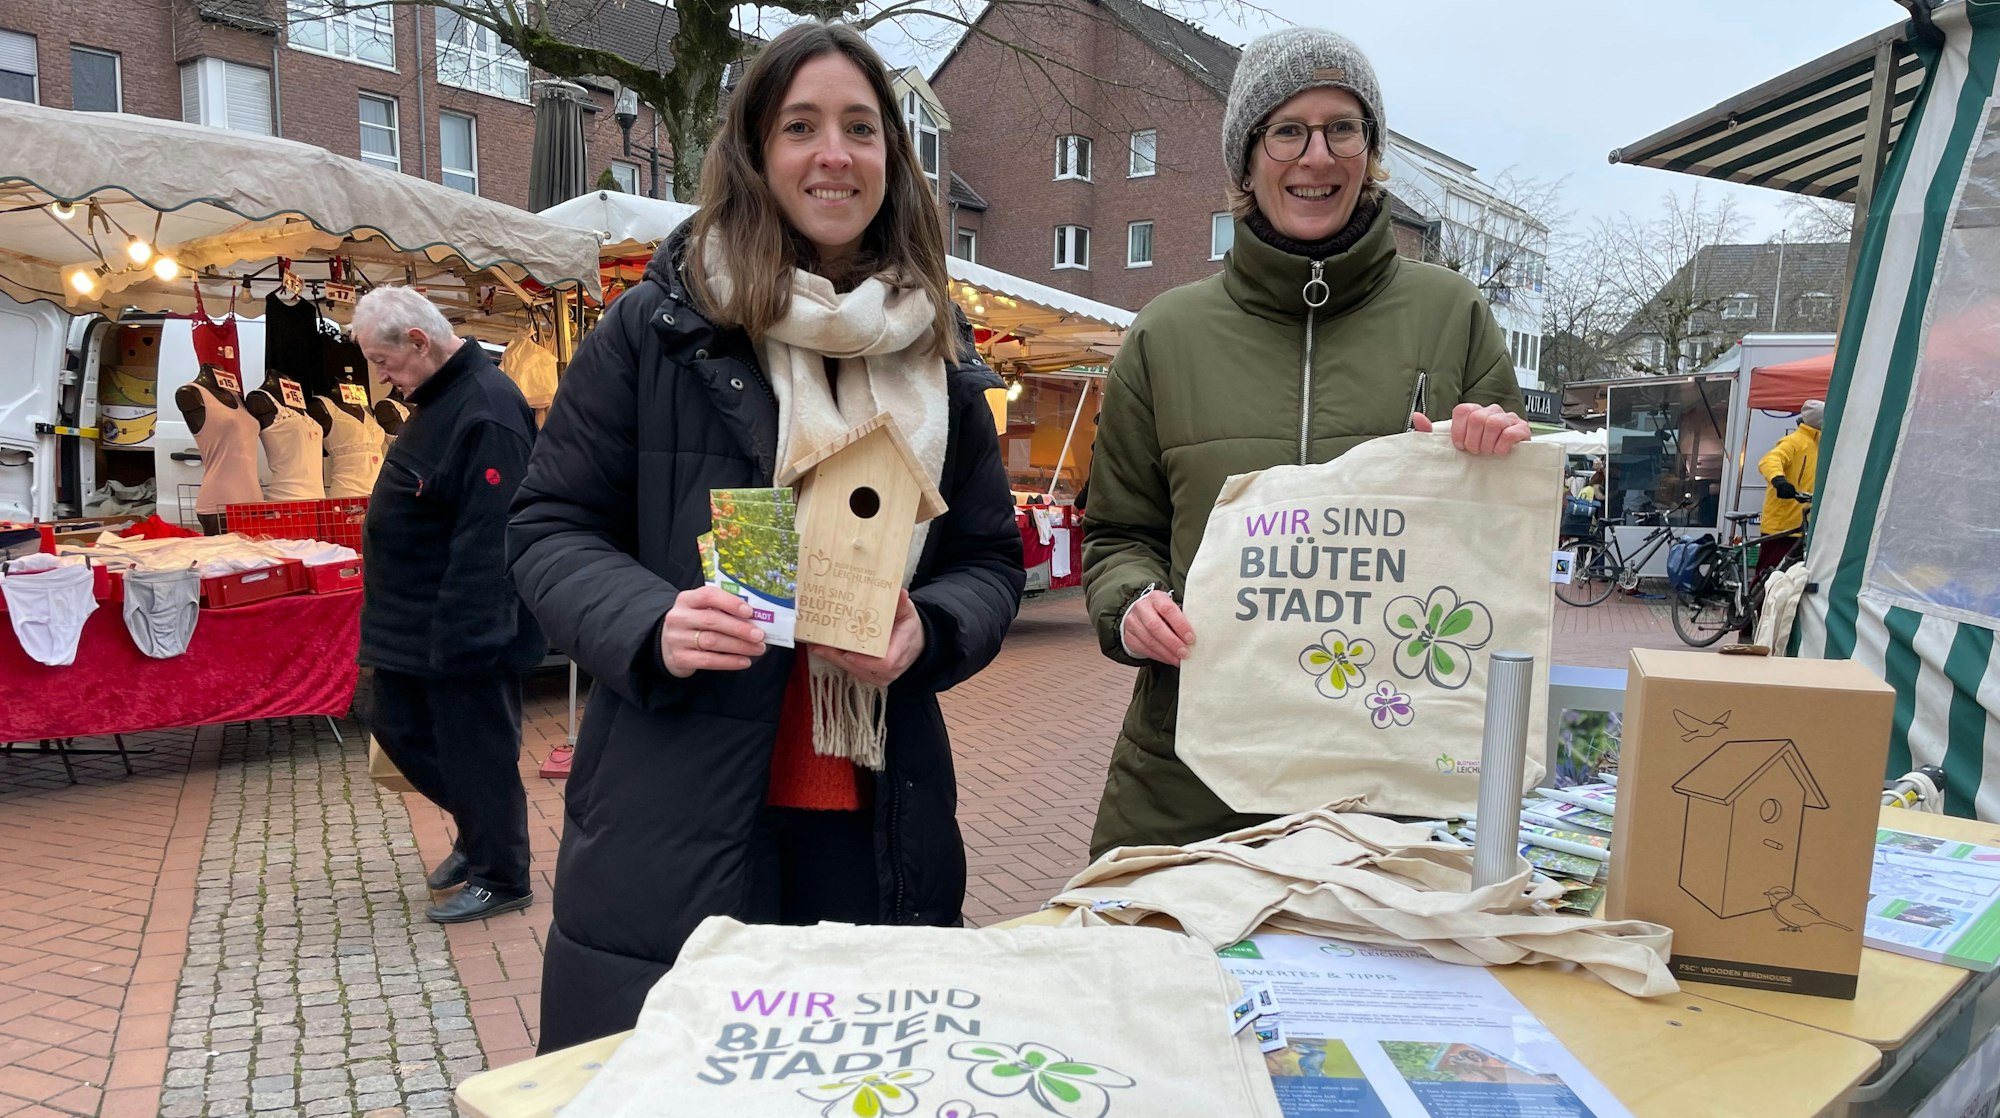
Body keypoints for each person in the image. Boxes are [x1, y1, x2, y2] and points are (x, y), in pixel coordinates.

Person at [508, 21, 1024, 1052]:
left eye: (860, 128)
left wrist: (930, 627)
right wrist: (651, 619)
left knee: (859, 1078)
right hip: (678, 801)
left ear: (892, 158)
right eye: (801, 126)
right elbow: (545, 527)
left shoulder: (937, 353)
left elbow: (988, 559)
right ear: (753, 151)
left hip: (876, 797)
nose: (833, 154)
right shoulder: (657, 329)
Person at [1083, 27, 1531, 856]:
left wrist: (1500, 457)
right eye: (1287, 130)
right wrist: (1132, 604)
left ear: (1372, 151)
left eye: (1342, 128)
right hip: (1190, 772)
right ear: (1248, 159)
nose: (1315, 156)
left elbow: (1499, 555)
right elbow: (1118, 534)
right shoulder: (1166, 333)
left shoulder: (1451, 314)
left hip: (1389, 781)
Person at [353, 286, 543, 924]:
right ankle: (478, 824)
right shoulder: (441, 396)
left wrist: (470, 635)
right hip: (414, 622)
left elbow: (492, 534)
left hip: (460, 625)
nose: (380, 376)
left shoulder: (485, 408)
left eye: (383, 362)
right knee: (399, 726)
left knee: (475, 748)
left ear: (418, 341)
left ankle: (502, 870)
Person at [1753, 398, 1823, 588]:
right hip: (1782, 525)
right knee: (1768, 577)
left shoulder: (1821, 446)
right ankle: (1748, 614)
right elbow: (1769, 460)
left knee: (1792, 580)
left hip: (1804, 525)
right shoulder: (1795, 441)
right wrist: (1779, 481)